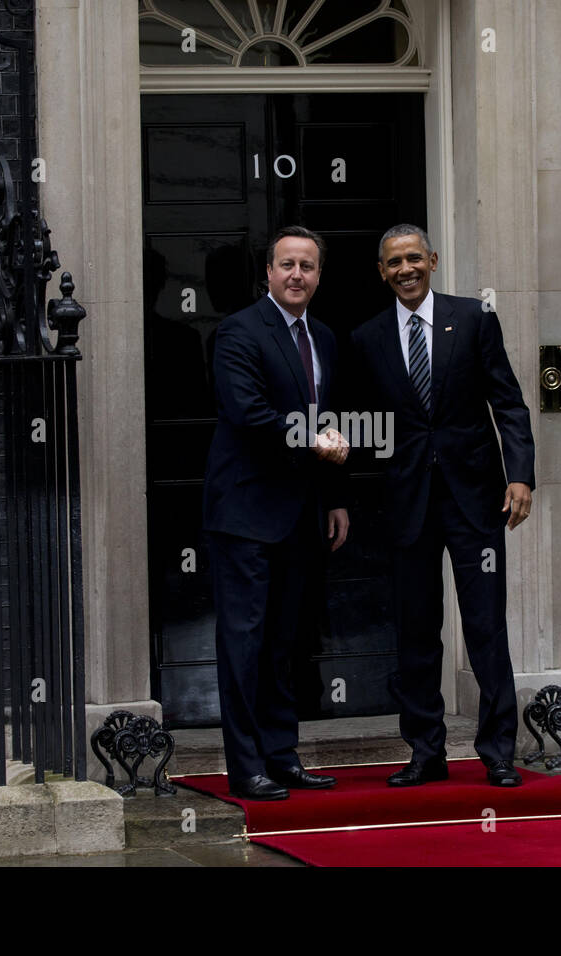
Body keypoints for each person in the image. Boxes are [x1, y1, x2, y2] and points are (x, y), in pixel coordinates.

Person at [351, 224, 535, 788]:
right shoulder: (368, 338)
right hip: (406, 505)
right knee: (416, 630)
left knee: (485, 626)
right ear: (381, 272)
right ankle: (426, 751)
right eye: (392, 263)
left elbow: (508, 402)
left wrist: (521, 477)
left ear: (432, 260)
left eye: (413, 258)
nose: (404, 269)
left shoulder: (473, 319)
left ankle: (498, 751)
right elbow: (362, 425)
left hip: (475, 500)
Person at [203, 225, 351, 801]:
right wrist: (314, 440)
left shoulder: (326, 339)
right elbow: (247, 412)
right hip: (244, 513)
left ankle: (282, 755)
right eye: (286, 264)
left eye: (307, 266)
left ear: (318, 276)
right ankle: (246, 766)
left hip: (301, 514)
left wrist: (337, 496)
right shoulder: (238, 331)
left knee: (285, 642)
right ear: (268, 273)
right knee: (243, 643)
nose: (296, 275)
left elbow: (335, 419)